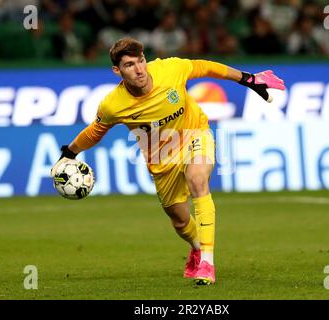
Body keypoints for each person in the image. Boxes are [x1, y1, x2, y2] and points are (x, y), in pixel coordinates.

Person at [50, 37, 285, 285]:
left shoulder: (170, 69)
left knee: (197, 180)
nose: (139, 69)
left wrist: (248, 79)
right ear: (117, 71)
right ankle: (196, 246)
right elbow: (94, 132)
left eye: (141, 61)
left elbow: (206, 67)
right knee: (180, 220)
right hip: (161, 160)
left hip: (195, 133)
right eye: (130, 65)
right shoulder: (113, 105)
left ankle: (207, 262)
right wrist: (70, 153)